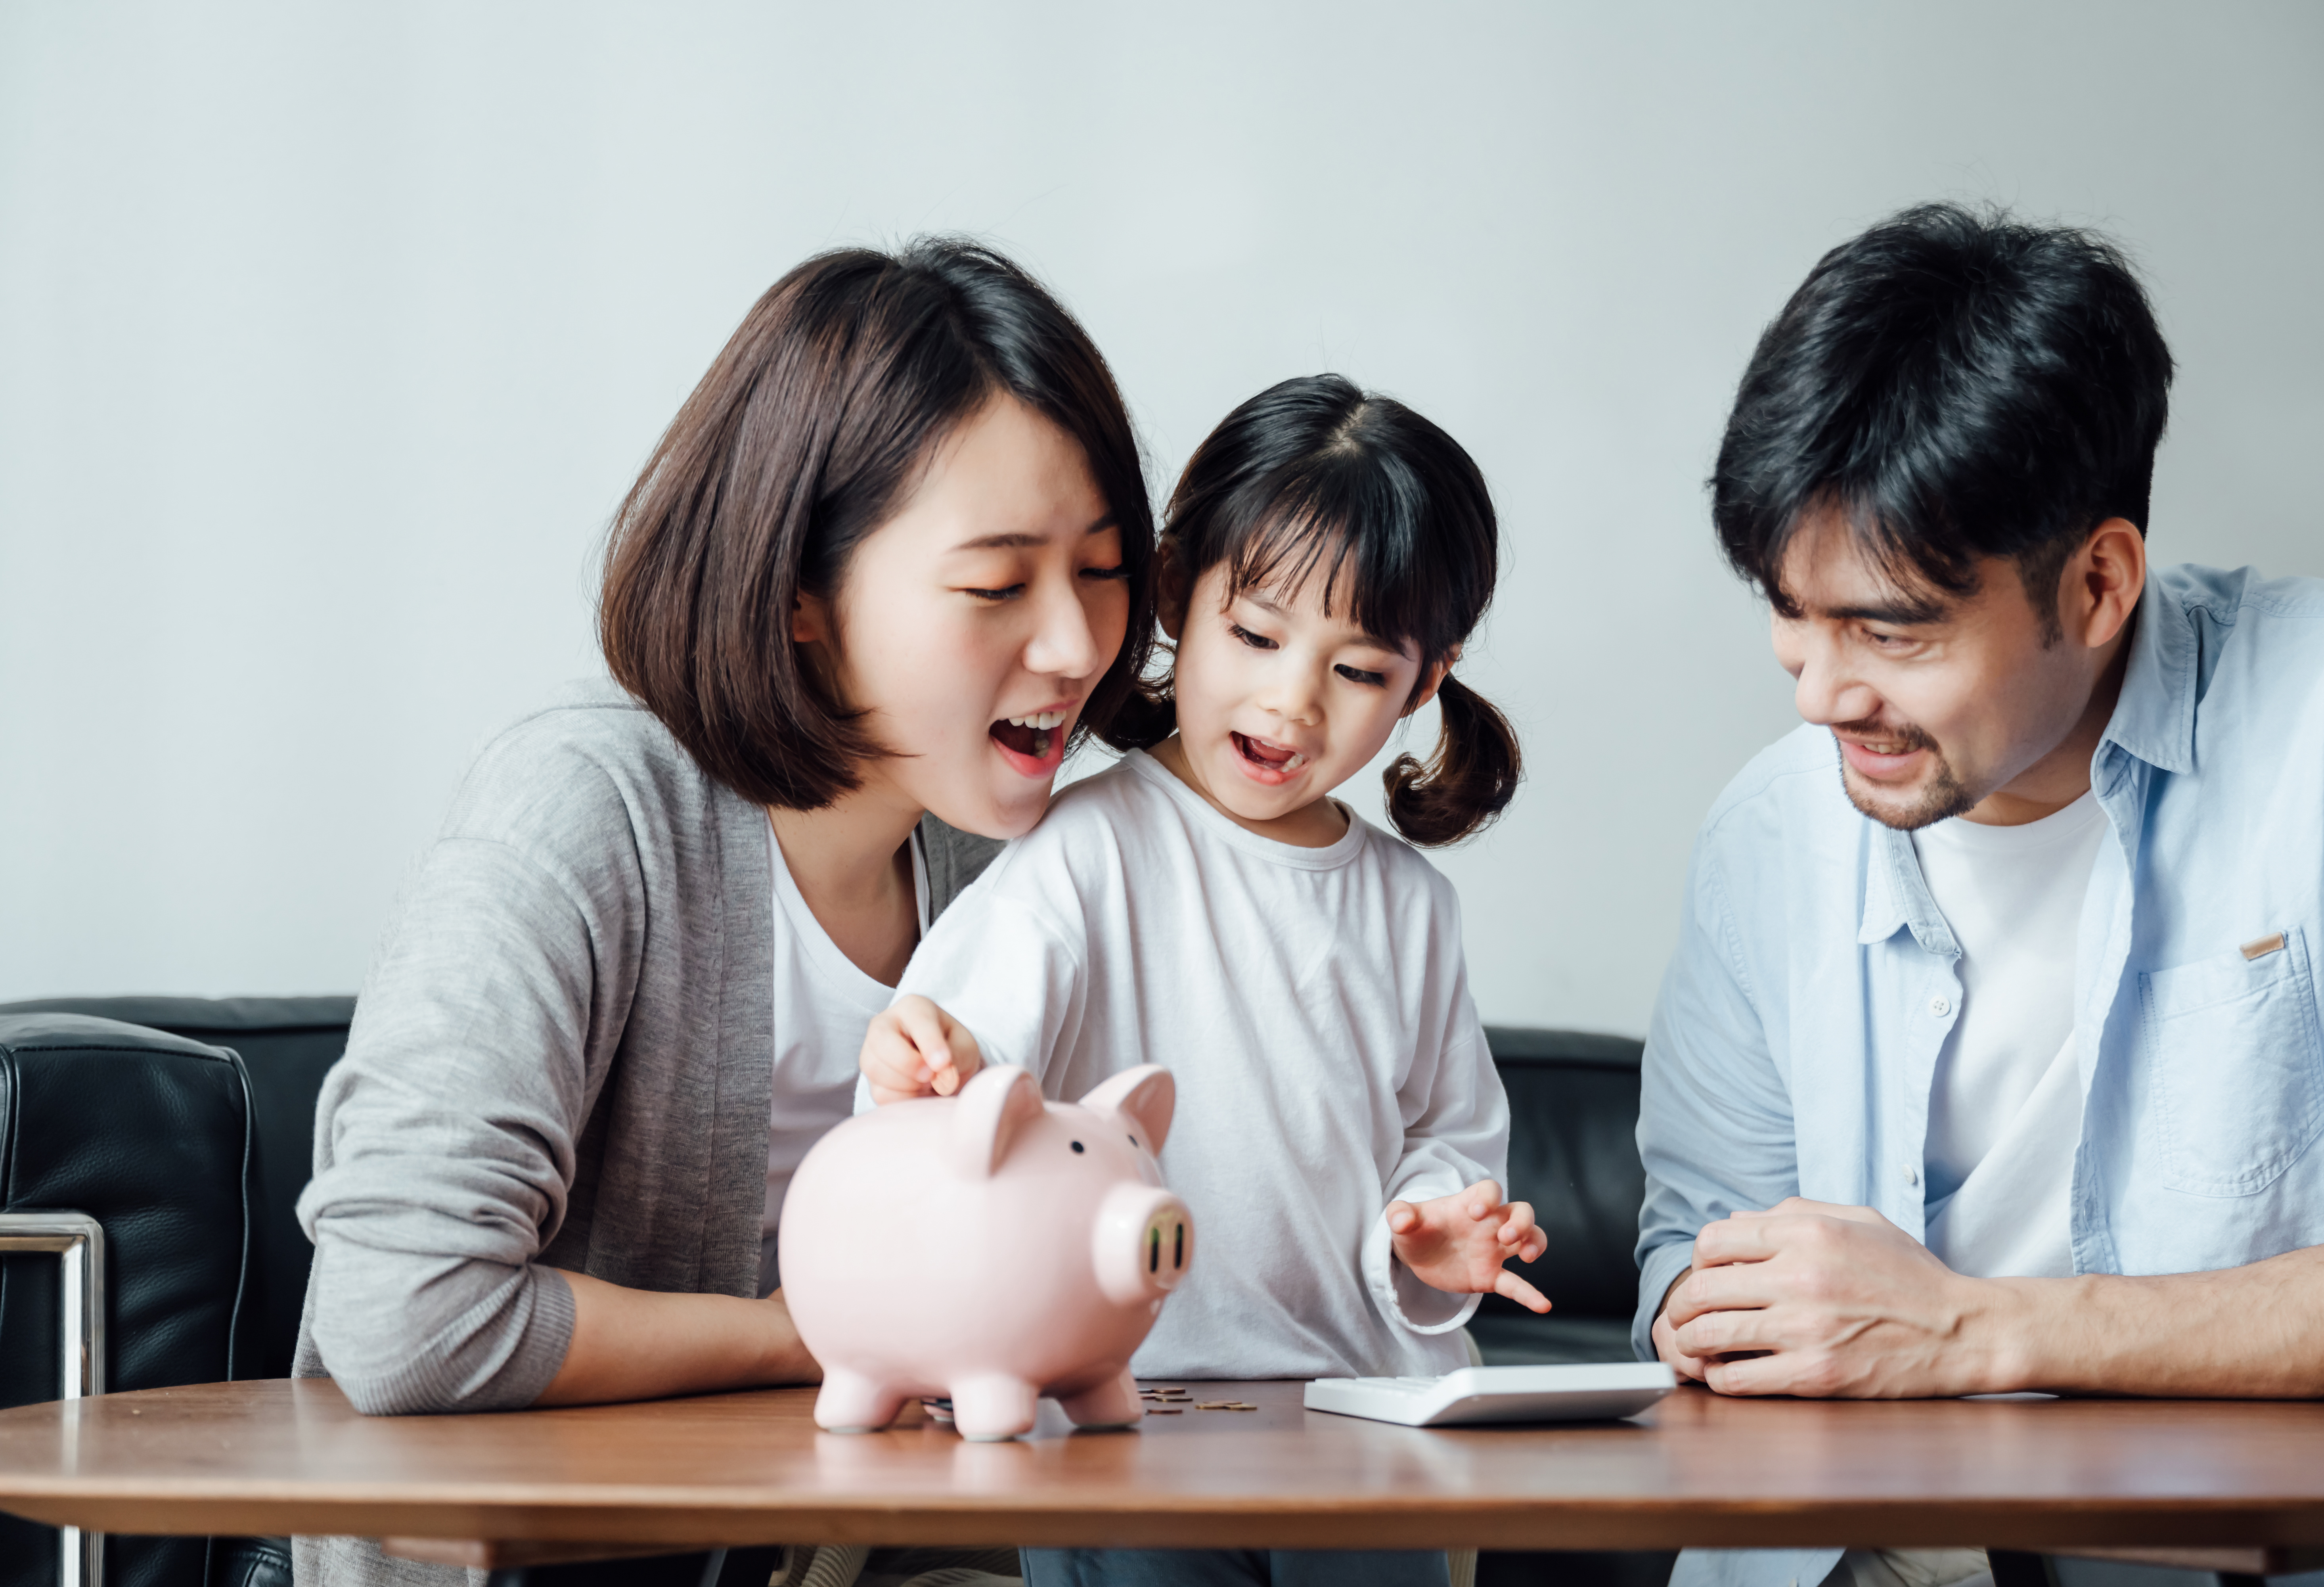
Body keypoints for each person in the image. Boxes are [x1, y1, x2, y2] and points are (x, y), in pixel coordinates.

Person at [291, 238, 1156, 1587]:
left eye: (1103, 570)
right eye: (997, 584)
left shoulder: (1008, 873)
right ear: (801, 595)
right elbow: (408, 1316)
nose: (1075, 644)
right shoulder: (586, 807)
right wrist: (802, 1332)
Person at [1636, 203, 2324, 1587]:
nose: (1819, 691)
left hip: (2210, 1552)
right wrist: (1708, 1308)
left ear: (2097, 582)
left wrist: (1972, 1330)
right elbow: (1688, 1244)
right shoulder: (1765, 835)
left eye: (1891, 629)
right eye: (1792, 613)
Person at [860, 374, 1548, 1587]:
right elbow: (947, 1078)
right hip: (1130, 1421)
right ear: (1180, 591)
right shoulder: (1084, 852)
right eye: (1259, 634)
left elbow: (1448, 1140)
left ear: (1425, 682)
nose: (1290, 702)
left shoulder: (1408, 906)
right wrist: (928, 1065)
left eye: (1359, 671)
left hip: (1370, 1426)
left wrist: (1437, 1227)